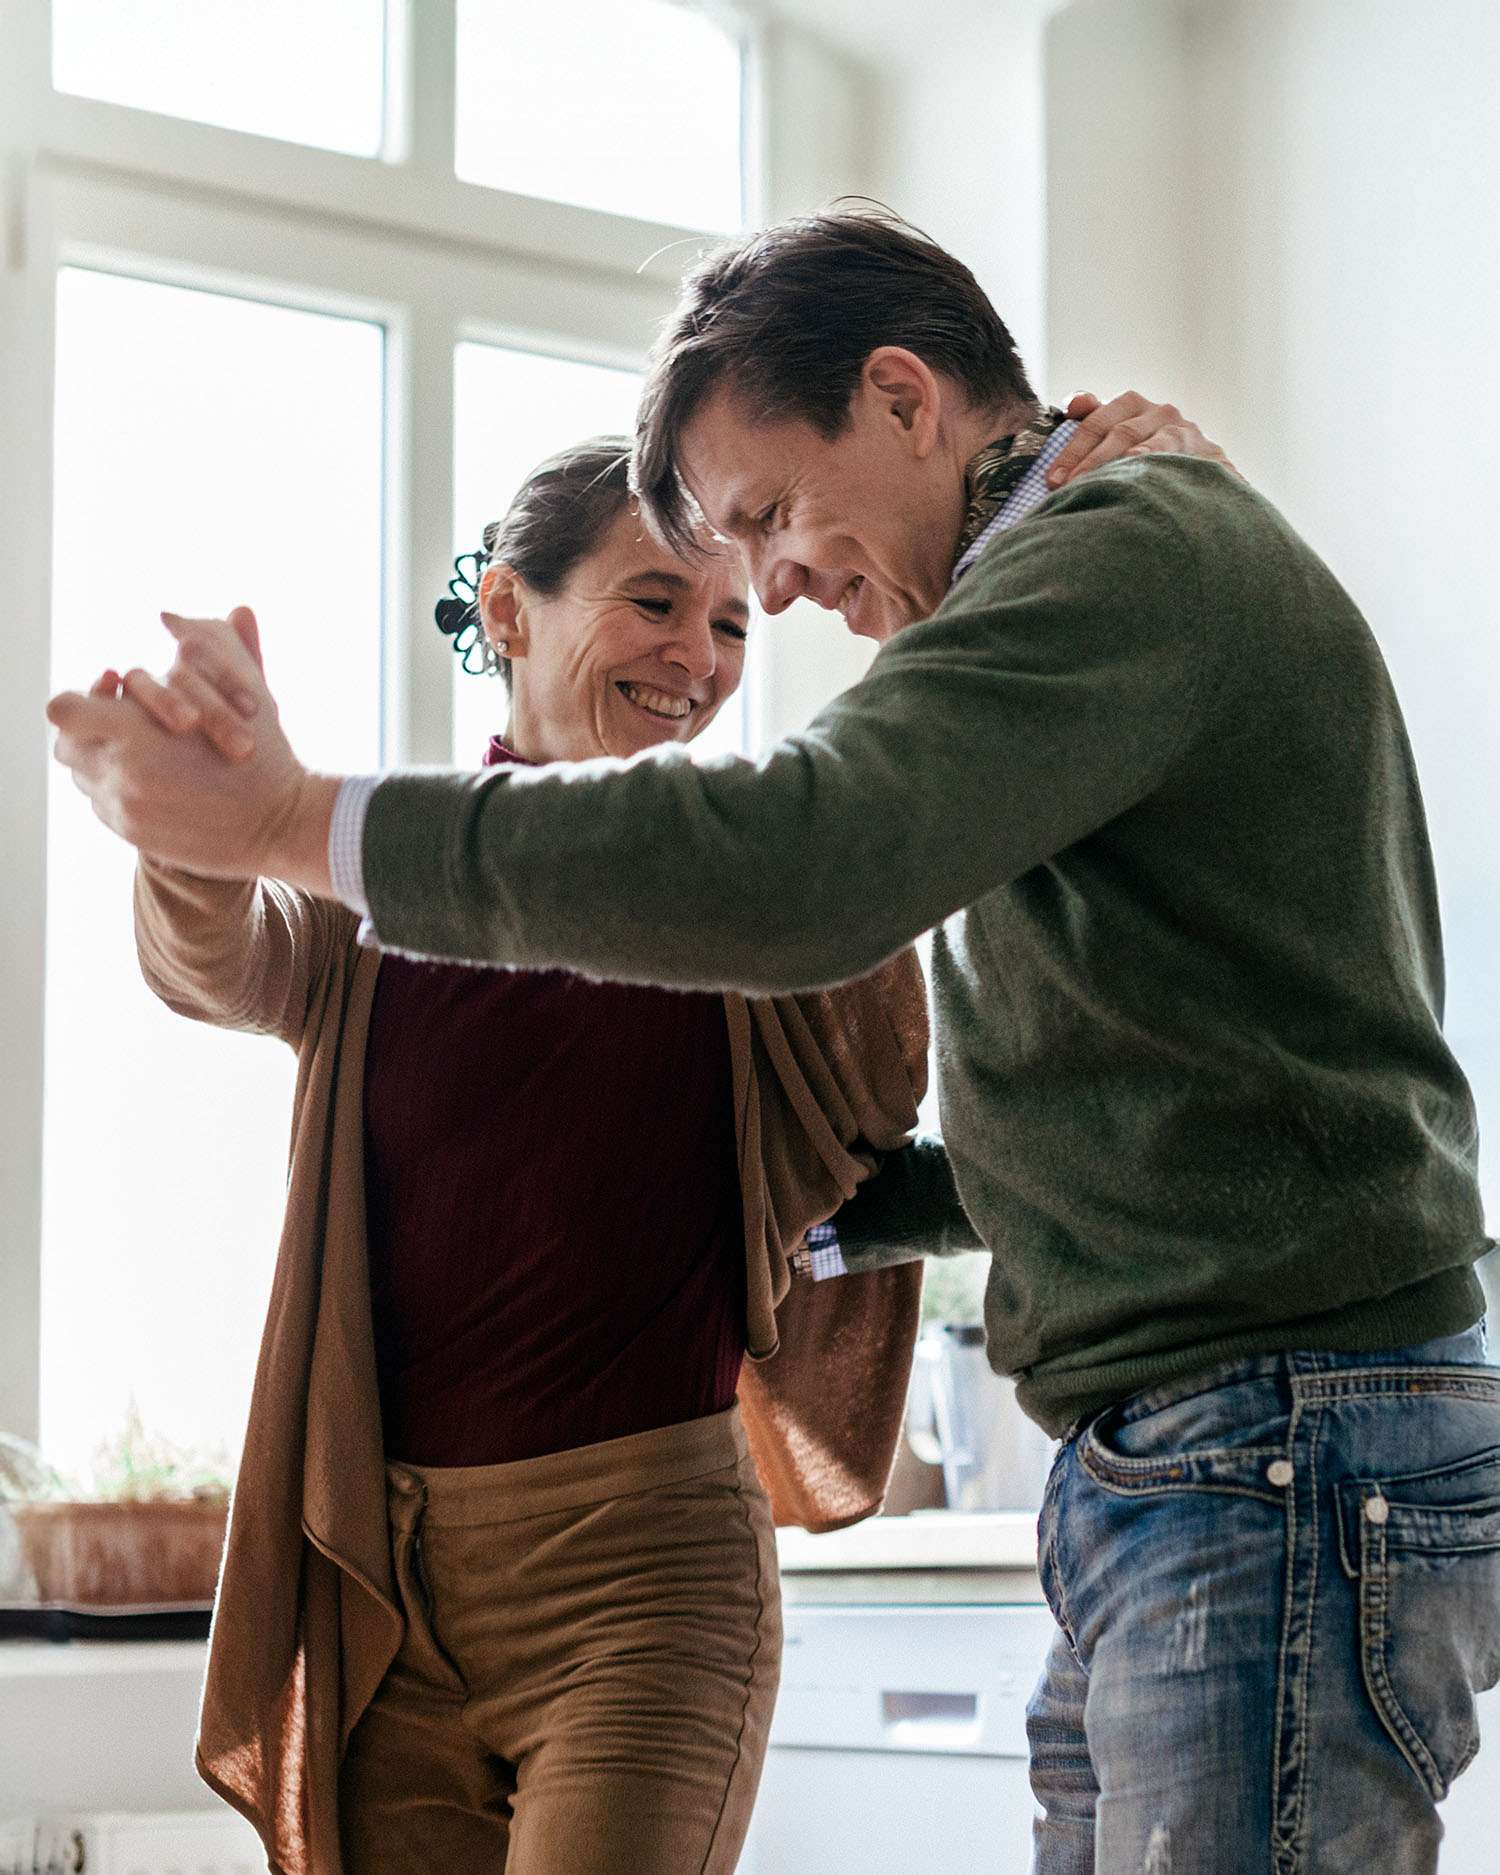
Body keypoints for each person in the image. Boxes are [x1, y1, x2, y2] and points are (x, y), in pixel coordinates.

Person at [52, 206, 1498, 1873]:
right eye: (702, 573)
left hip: (1262, 1444)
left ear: (901, 398)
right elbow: (1125, 1101)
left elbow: (797, 867)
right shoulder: (1091, 556)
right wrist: (217, 834)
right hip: (1184, 1454)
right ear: (508, 616)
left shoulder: (1114, 556)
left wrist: (295, 813)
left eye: (766, 535)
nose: (772, 596)